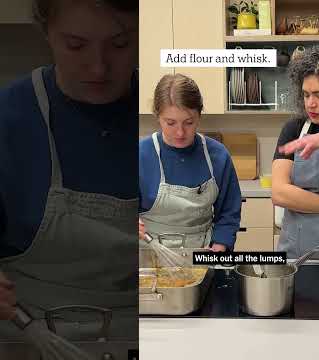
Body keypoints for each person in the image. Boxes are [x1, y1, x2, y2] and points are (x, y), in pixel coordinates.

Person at [0, 0, 138, 354]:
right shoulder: (9, 119)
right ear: (46, 31)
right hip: (29, 339)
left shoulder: (158, 114)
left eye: (121, 44)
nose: (98, 67)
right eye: (75, 45)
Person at [139, 74, 241, 252]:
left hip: (202, 253)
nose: (180, 133)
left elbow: (228, 213)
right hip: (149, 256)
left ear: (199, 116)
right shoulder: (140, 155)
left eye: (189, 122)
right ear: (157, 116)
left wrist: (219, 248)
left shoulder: (217, 155)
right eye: (170, 123)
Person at [272, 43, 319, 260]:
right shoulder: (294, 129)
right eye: (306, 95)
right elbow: (279, 192)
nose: (310, 104)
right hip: (295, 256)